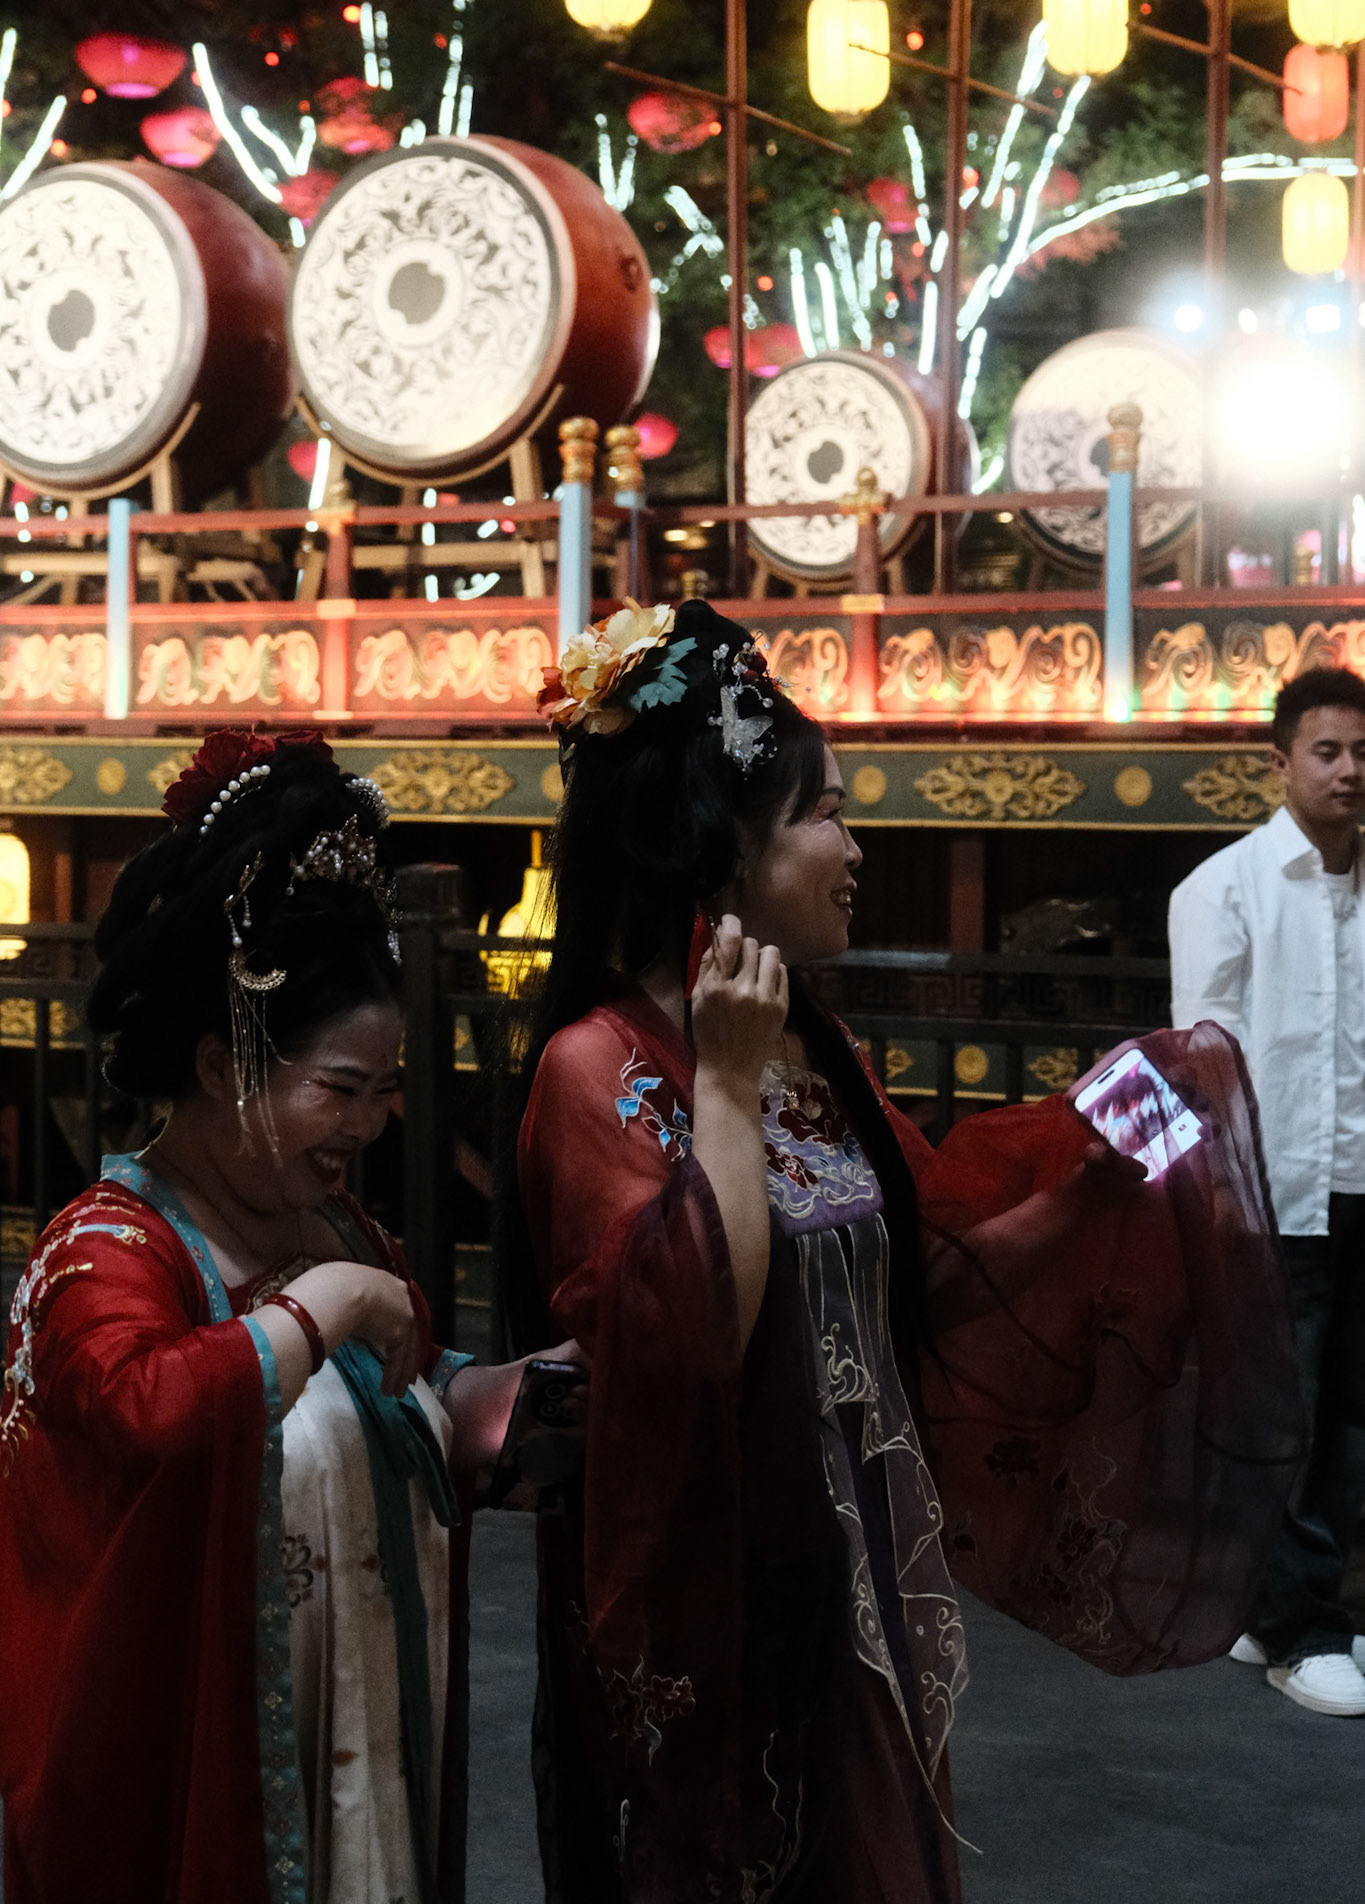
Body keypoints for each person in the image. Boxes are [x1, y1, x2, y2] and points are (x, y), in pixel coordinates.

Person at [505, 597, 1304, 1904]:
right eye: (824, 813)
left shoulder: (813, 1051)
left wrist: (1097, 1177)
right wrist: (724, 1088)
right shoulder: (599, 1069)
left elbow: (924, 1279)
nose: (854, 846)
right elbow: (694, 1334)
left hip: (859, 1562)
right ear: (725, 852)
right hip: (725, 1583)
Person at [0, 727, 577, 1904]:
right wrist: (325, 1306)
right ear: (224, 1063)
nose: (367, 1124)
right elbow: (147, 1414)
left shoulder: (341, 1229)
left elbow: (402, 1387)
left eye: (384, 1090)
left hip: (365, 1764)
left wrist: (502, 1397)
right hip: (195, 1775)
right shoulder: (107, 1250)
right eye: (339, 1089)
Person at [1170, 664, 1365, 1717]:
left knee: (1351, 1413)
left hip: (1361, 1178)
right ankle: (1298, 1633)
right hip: (1276, 1188)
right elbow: (1205, 1061)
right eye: (1326, 750)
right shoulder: (1224, 887)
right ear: (1279, 762)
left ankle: (1287, 1603)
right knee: (1282, 1416)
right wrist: (1218, 1197)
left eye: (1362, 751)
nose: (1348, 769)